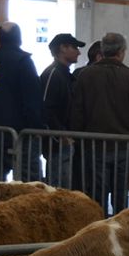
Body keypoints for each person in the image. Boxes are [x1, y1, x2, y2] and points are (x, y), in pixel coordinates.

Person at [70, 32, 129, 214]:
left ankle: (97, 233)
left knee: (96, 197)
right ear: (121, 52)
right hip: (123, 146)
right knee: (121, 196)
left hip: (93, 146)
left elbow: (77, 112)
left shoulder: (86, 76)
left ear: (103, 51)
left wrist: (81, 138)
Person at [0, 22, 44, 181]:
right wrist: (36, 128)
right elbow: (32, 100)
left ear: (0, 39)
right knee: (29, 182)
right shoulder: (23, 62)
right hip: (20, 135)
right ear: (19, 39)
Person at [41, 33, 85, 188]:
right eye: (75, 48)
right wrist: (60, 133)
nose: (78, 52)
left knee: (63, 185)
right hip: (58, 142)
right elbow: (46, 108)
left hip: (63, 140)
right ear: (63, 48)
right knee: (58, 186)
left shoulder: (64, 74)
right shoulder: (53, 74)